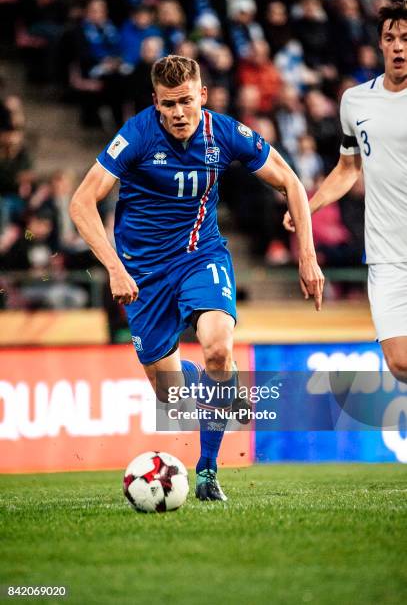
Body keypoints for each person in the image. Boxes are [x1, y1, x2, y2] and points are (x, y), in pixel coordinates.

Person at [70, 55, 324, 501]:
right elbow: (81, 202)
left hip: (200, 256)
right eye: (168, 104)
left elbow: (291, 182)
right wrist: (115, 267)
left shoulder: (223, 133)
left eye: (187, 101)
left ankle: (207, 471)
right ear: (156, 102)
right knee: (168, 395)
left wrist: (307, 256)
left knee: (218, 348)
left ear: (202, 96)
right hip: (143, 273)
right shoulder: (136, 135)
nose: (178, 113)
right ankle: (218, 385)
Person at [283, 0, 407, 383]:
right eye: (391, 38)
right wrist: (308, 204)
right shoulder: (355, 101)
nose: (399, 46)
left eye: (406, 38)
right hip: (387, 254)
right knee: (400, 363)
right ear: (380, 45)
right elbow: (348, 167)